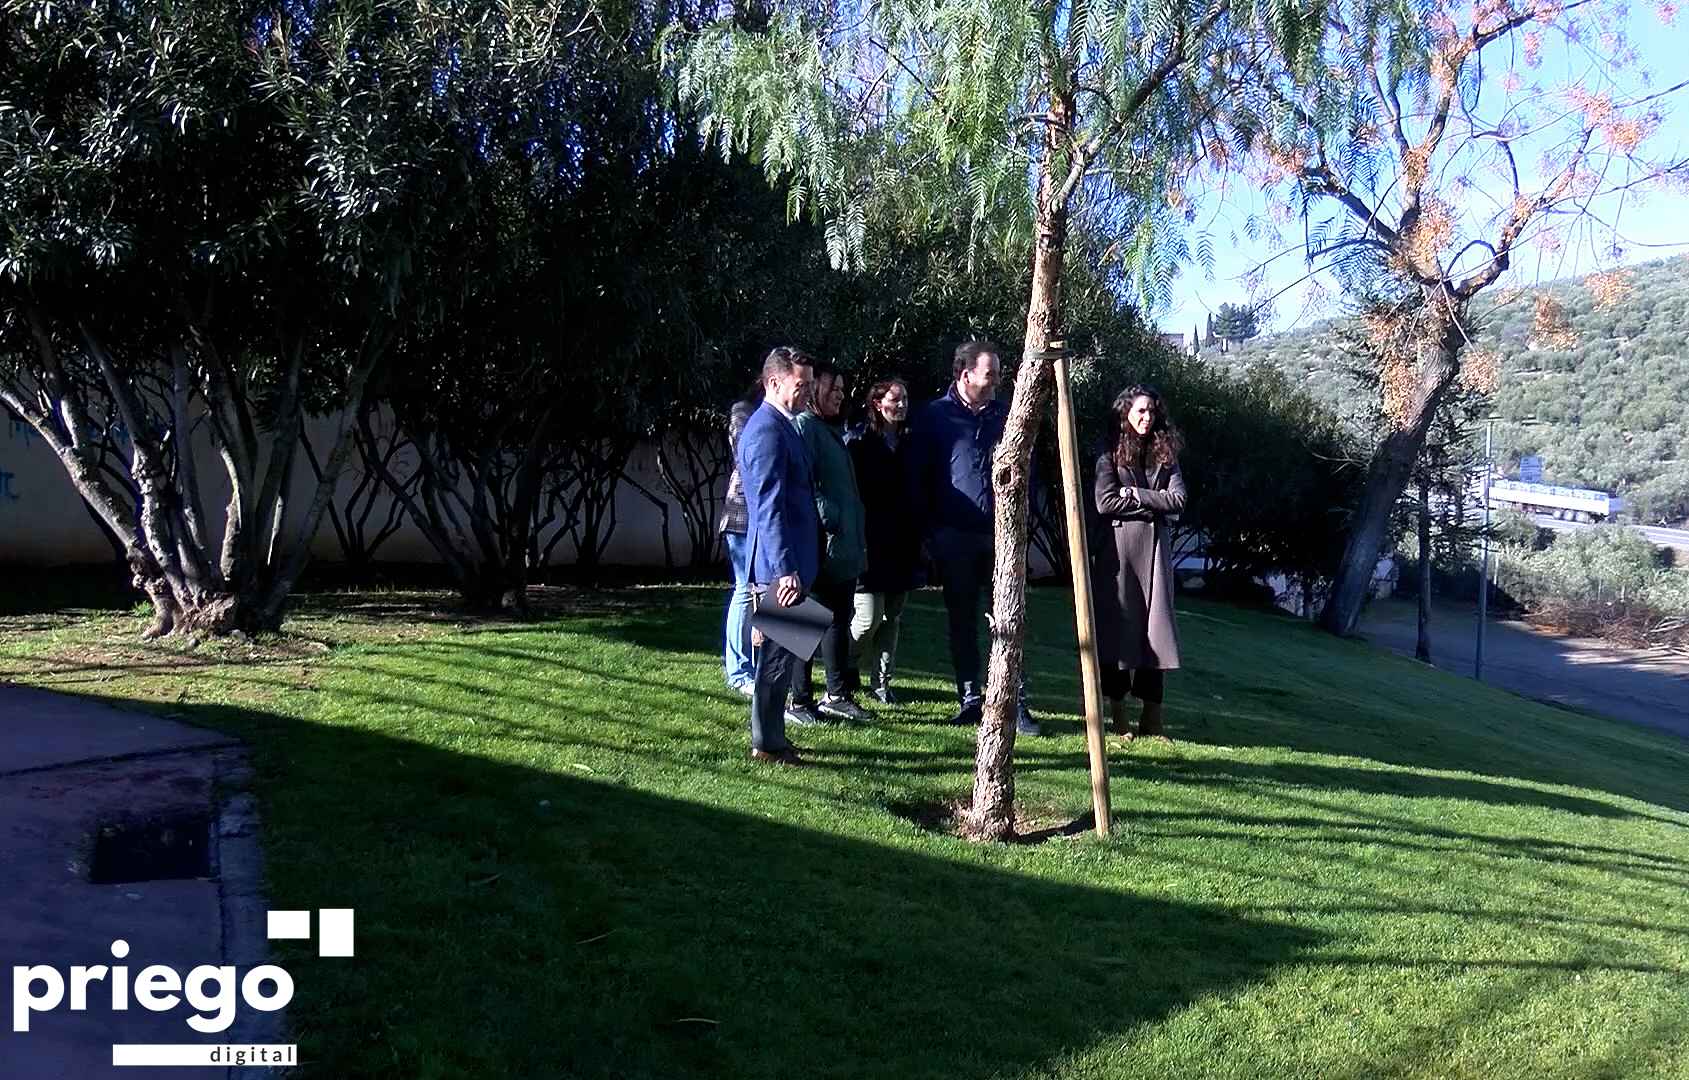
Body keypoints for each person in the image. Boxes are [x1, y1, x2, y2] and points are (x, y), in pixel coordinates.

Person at [909, 340, 1041, 736]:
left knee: (1009, 619)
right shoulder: (936, 417)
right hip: (954, 536)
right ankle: (970, 698)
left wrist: (1024, 515)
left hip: (1001, 536)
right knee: (962, 619)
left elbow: (1027, 471)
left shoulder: (1006, 416)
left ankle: (1014, 702)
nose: (998, 380)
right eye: (990, 374)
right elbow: (919, 478)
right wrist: (929, 533)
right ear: (965, 375)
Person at [737, 347, 822, 766]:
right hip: (779, 568)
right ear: (774, 383)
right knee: (774, 662)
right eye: (800, 385)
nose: (808, 392)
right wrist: (785, 571)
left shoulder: (785, 425)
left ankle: (774, 737)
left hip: (792, 562)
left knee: (785, 656)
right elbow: (768, 508)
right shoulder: (766, 431)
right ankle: (767, 744)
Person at [1092, 383, 1186, 741]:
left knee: (1156, 634)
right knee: (1118, 631)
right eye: (1140, 411)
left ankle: (1153, 718)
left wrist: (1136, 494)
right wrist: (1152, 503)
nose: (1146, 418)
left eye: (1151, 411)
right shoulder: (1109, 454)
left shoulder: (1166, 455)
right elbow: (1105, 502)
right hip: (1120, 554)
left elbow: (1178, 499)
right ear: (1125, 413)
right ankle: (1118, 715)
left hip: (1156, 555)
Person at [788, 361, 873, 725]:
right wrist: (829, 517)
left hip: (842, 547)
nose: (840, 394)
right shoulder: (805, 426)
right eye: (832, 388)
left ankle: (836, 695)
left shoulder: (827, 429)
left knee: (839, 618)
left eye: (842, 389)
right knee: (806, 620)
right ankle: (797, 700)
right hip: (821, 545)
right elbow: (803, 481)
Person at [845, 377, 921, 705]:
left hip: (903, 542)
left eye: (904, 398)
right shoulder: (860, 442)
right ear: (878, 403)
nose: (901, 405)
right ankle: (843, 667)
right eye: (894, 399)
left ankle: (881, 683)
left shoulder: (911, 442)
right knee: (867, 618)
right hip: (870, 543)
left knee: (893, 617)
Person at [718, 384, 763, 695]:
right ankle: (739, 670)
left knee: (772, 588)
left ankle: (770, 666)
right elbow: (748, 454)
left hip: (768, 517)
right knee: (745, 590)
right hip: (742, 517)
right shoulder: (743, 412)